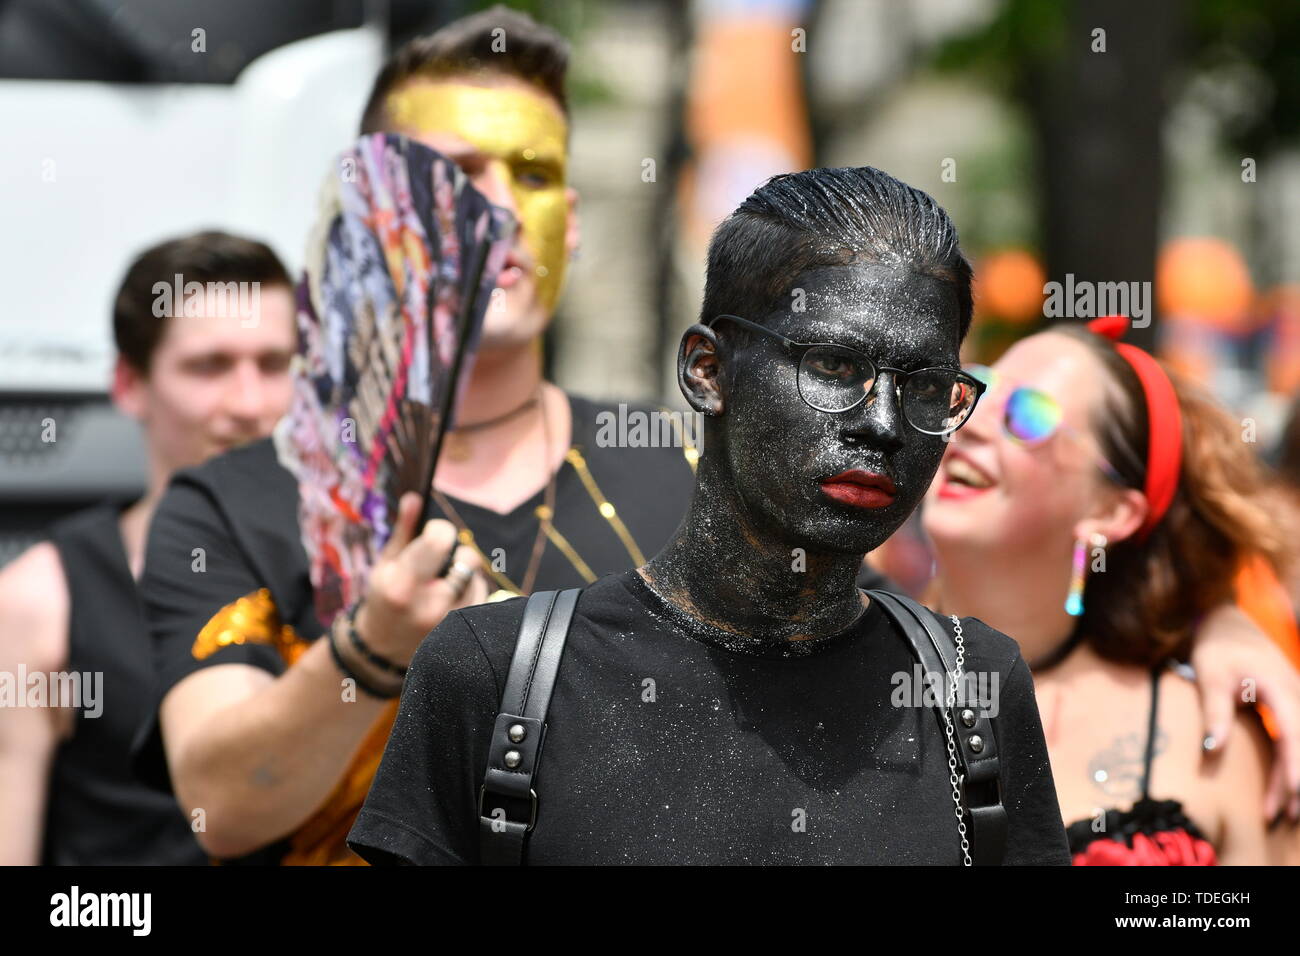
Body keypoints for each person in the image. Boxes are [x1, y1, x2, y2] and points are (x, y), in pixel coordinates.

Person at [348, 165, 1073, 865]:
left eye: (926, 385)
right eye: (833, 367)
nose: (883, 424)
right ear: (708, 370)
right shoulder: (495, 674)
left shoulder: (972, 686)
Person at [132, 7, 694, 865]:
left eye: (534, 175)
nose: (502, 208)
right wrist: (366, 653)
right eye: (460, 172)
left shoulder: (696, 469)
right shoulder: (239, 500)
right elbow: (219, 805)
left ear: (571, 222)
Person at [922, 317, 1300, 864]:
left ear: (1111, 511)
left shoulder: (1213, 739)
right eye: (974, 393)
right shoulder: (837, 668)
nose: (972, 427)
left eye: (1027, 417)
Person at [0, 232, 297, 864]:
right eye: (209, 366)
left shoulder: (363, 580)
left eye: (275, 364)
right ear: (130, 383)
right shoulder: (42, 598)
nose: (250, 405)